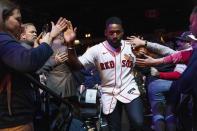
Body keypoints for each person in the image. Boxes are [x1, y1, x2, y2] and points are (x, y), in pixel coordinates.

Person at [65, 17, 144, 131]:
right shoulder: (96, 50)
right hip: (109, 92)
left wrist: (142, 53)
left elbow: (146, 63)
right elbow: (76, 65)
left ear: (123, 32)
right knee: (114, 128)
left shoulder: (131, 46)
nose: (115, 35)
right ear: (106, 33)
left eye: (118, 32)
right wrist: (70, 45)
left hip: (129, 88)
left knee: (138, 123)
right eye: (111, 32)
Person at [0, 0, 68, 130]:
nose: (21, 24)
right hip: (12, 122)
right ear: (3, 18)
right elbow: (28, 62)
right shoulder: (2, 39)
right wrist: (47, 42)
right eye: (17, 19)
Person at [128, 6, 197, 131]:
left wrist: (159, 73)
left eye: (183, 41)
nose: (180, 43)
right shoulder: (186, 52)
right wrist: (149, 53)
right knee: (171, 114)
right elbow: (170, 54)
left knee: (159, 114)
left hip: (162, 84)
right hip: (172, 86)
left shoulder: (190, 51)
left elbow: (178, 73)